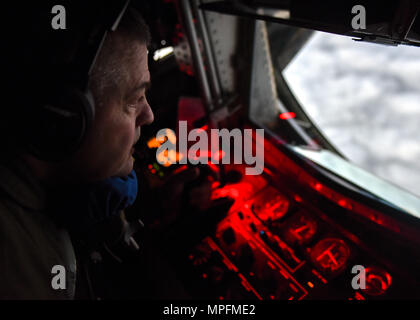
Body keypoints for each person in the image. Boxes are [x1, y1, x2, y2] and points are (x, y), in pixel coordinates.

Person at [0, 4, 156, 299]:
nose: (149, 115)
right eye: (135, 98)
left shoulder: (40, 198)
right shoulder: (19, 275)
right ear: (67, 116)